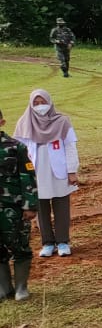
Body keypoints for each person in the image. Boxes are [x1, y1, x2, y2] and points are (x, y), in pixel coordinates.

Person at [13, 89, 79, 257]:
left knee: (61, 205)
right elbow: (19, 152)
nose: (40, 106)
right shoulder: (24, 123)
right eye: (36, 103)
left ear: (50, 102)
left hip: (59, 171)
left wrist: (72, 171)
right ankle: (48, 243)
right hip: (36, 172)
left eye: (43, 102)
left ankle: (63, 241)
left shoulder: (62, 121)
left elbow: (70, 147)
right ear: (30, 105)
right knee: (41, 207)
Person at [0, 104, 37, 301]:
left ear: (2, 122)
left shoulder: (15, 147)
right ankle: (4, 289)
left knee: (20, 247)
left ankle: (21, 288)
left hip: (13, 208)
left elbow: (28, 177)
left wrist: (30, 206)